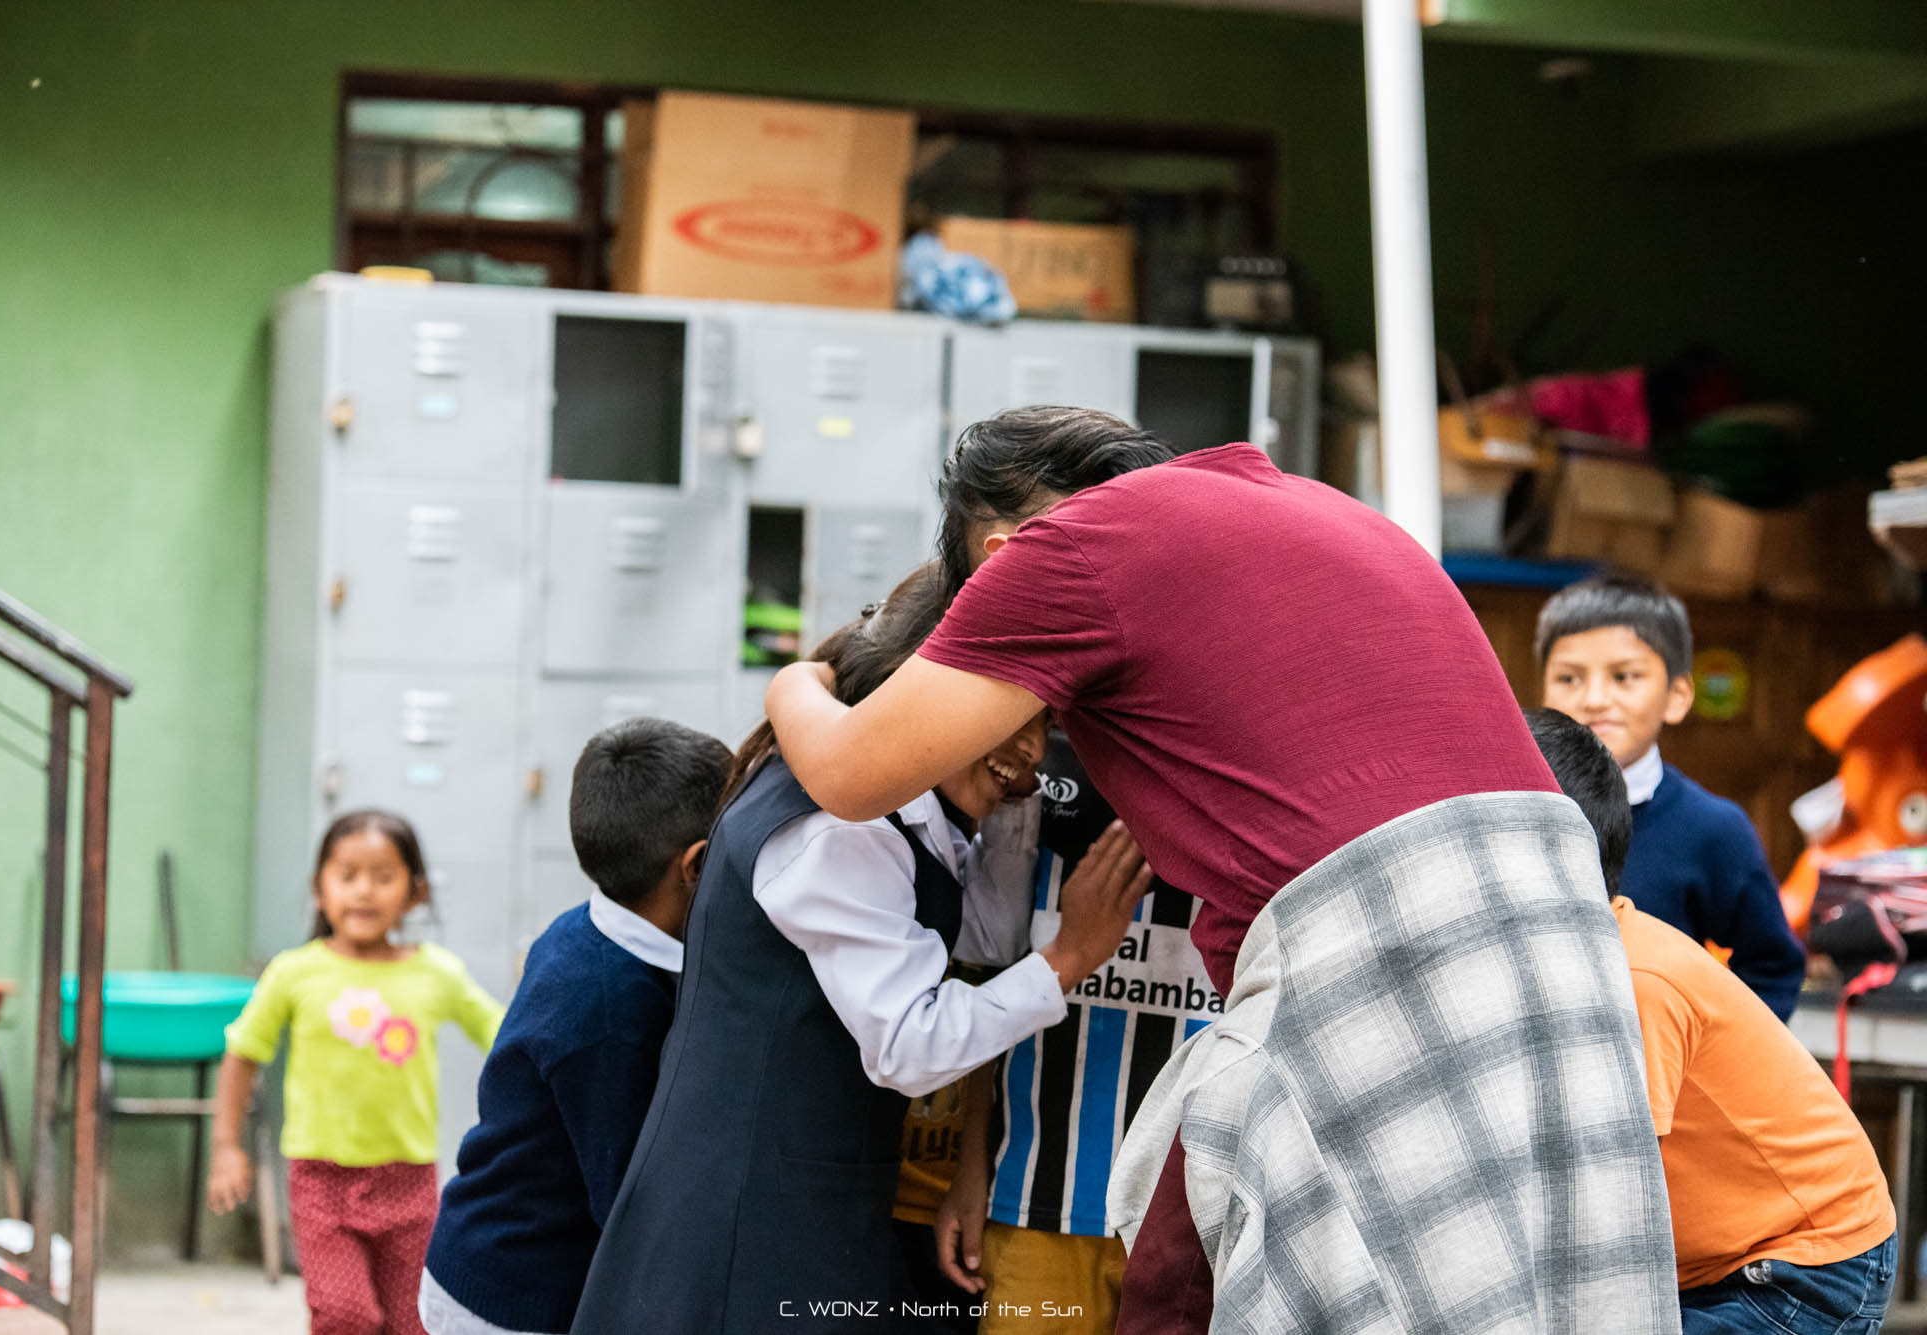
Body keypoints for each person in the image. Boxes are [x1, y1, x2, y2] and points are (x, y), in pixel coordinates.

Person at [765, 407, 1678, 1332]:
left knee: (1204, 1296)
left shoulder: (1060, 552)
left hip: (1382, 955)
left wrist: (797, 681)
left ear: (1000, 556)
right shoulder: (1316, 509)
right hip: (1566, 947)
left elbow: (848, 775)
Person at [572, 564, 1151, 1334]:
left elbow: (972, 935)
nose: (1034, 747)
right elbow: (910, 1042)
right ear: (925, 694)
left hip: (786, 1203)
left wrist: (1012, 796)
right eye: (1014, 713)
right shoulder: (843, 826)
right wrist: (1070, 957)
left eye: (1044, 721)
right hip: (748, 1226)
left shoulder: (882, 797)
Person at [1525, 708, 1896, 1335]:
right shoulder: (1570, 961)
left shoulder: (1634, 978)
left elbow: (1608, 1190)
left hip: (1805, 1267)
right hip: (1721, 1265)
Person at [417, 719, 733, 1335]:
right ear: (695, 866)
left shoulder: (583, 927)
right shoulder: (613, 1012)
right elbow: (628, 1203)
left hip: (487, 1258)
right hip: (511, 1299)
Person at [936, 734, 1218, 1335]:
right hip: (1036, 1194)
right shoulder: (1042, 776)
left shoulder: (1254, 782)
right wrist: (972, 1164)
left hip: (1195, 1217)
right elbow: (997, 980)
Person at [208, 810, 505, 1335]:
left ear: (415, 893)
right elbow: (243, 1054)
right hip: (321, 1181)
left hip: (409, 1183)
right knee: (346, 1314)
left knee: (411, 1323)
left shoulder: (437, 974)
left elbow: (505, 1037)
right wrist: (227, 1145)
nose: (364, 891)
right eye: (347, 875)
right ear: (319, 888)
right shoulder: (295, 972)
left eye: (383, 876)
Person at [1538, 575, 1805, 1019]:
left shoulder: (1714, 829)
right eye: (1569, 678)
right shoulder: (1513, 813)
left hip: (1658, 1082)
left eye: (1624, 677)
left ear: (1677, 696)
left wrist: (1704, 1059)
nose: (1594, 699)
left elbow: (1772, 965)